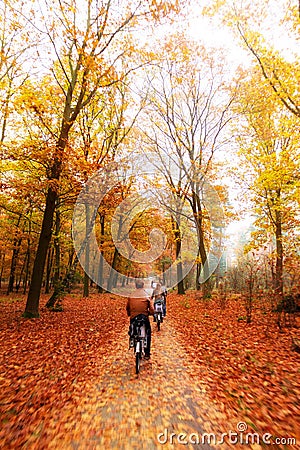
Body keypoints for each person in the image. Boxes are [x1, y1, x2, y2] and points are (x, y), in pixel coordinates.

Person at [126, 280, 154, 359]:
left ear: (136, 286)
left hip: (133, 317)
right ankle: (147, 353)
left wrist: (129, 314)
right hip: (144, 317)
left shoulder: (131, 295)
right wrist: (151, 313)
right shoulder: (147, 295)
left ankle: (132, 339)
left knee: (132, 328)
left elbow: (127, 307)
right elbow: (151, 308)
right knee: (148, 332)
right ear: (143, 286)